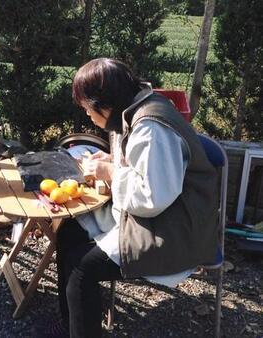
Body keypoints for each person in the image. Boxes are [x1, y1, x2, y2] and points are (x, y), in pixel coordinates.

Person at [47, 58, 219, 338]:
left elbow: (154, 196)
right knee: (68, 232)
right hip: (158, 216)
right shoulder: (135, 108)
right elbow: (147, 164)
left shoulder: (151, 127)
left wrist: (112, 171)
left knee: (82, 269)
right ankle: (73, 323)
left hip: (174, 229)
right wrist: (113, 159)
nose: (89, 116)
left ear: (104, 102)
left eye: (89, 109)